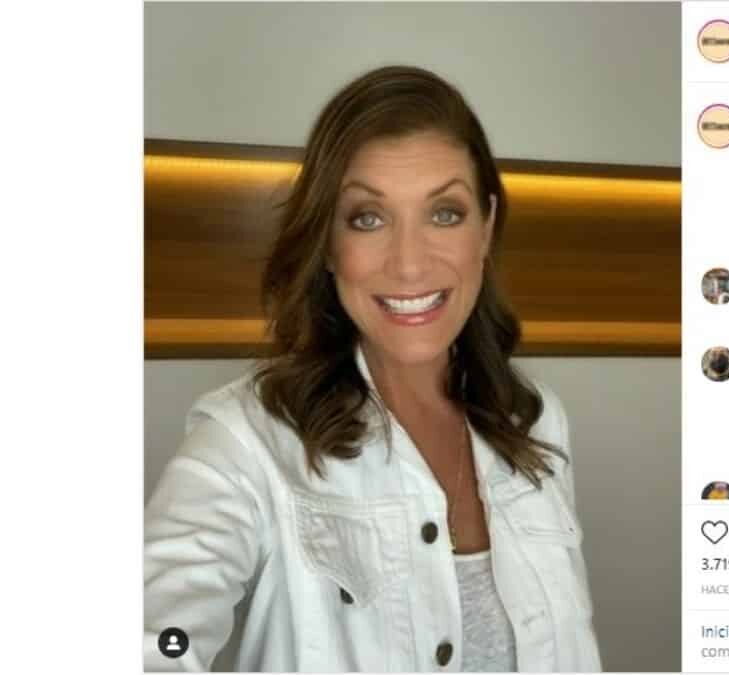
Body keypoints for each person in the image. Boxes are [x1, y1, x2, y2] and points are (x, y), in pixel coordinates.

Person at [143, 66, 602, 672]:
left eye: (445, 213)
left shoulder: (536, 421)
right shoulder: (244, 441)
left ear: (486, 228)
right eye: (367, 218)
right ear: (329, 244)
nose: (409, 265)